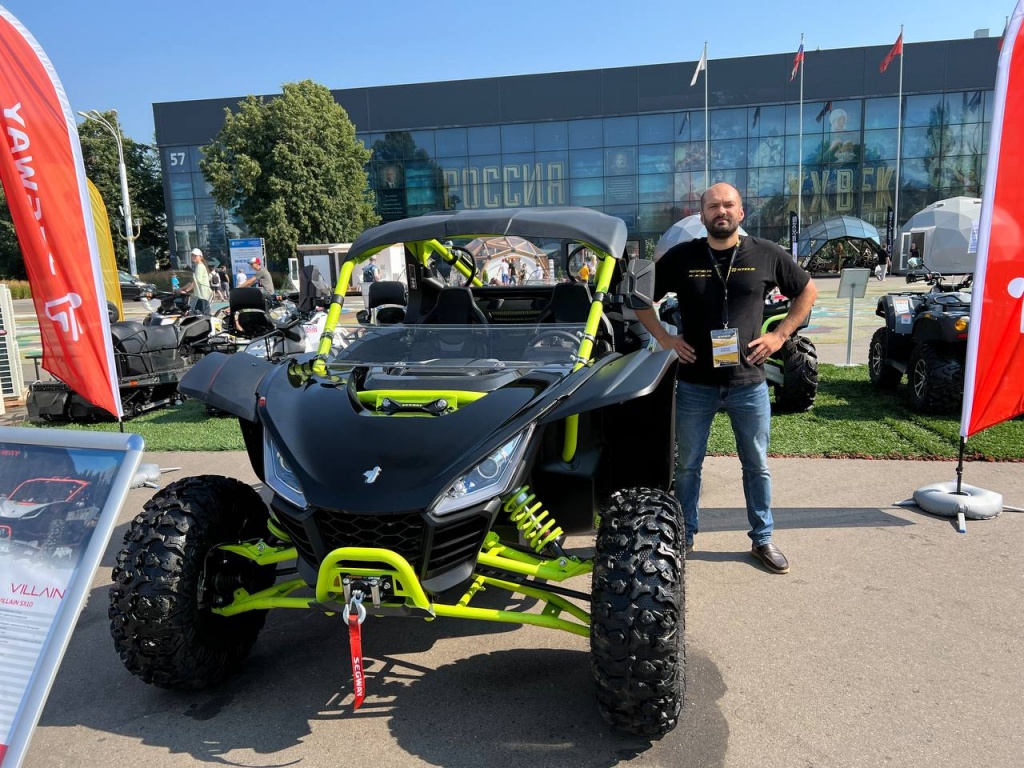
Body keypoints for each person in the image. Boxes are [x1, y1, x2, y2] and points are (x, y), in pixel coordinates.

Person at [633, 182, 818, 574]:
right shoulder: (682, 258)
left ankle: (762, 539)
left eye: (728, 205)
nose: (721, 211)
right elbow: (639, 297)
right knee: (688, 467)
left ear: (741, 213)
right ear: (702, 216)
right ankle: (683, 537)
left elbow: (807, 290)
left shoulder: (766, 254)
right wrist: (666, 338)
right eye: (713, 206)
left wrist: (781, 335)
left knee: (756, 464)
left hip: (748, 383)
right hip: (695, 383)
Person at [181, 247, 212, 314]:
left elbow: (196, 282)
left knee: (202, 314)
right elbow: (191, 282)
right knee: (199, 312)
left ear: (200, 257)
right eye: (192, 255)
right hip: (199, 294)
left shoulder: (200, 266)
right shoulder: (199, 266)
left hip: (202, 294)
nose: (193, 257)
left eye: (195, 255)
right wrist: (181, 289)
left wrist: (186, 290)